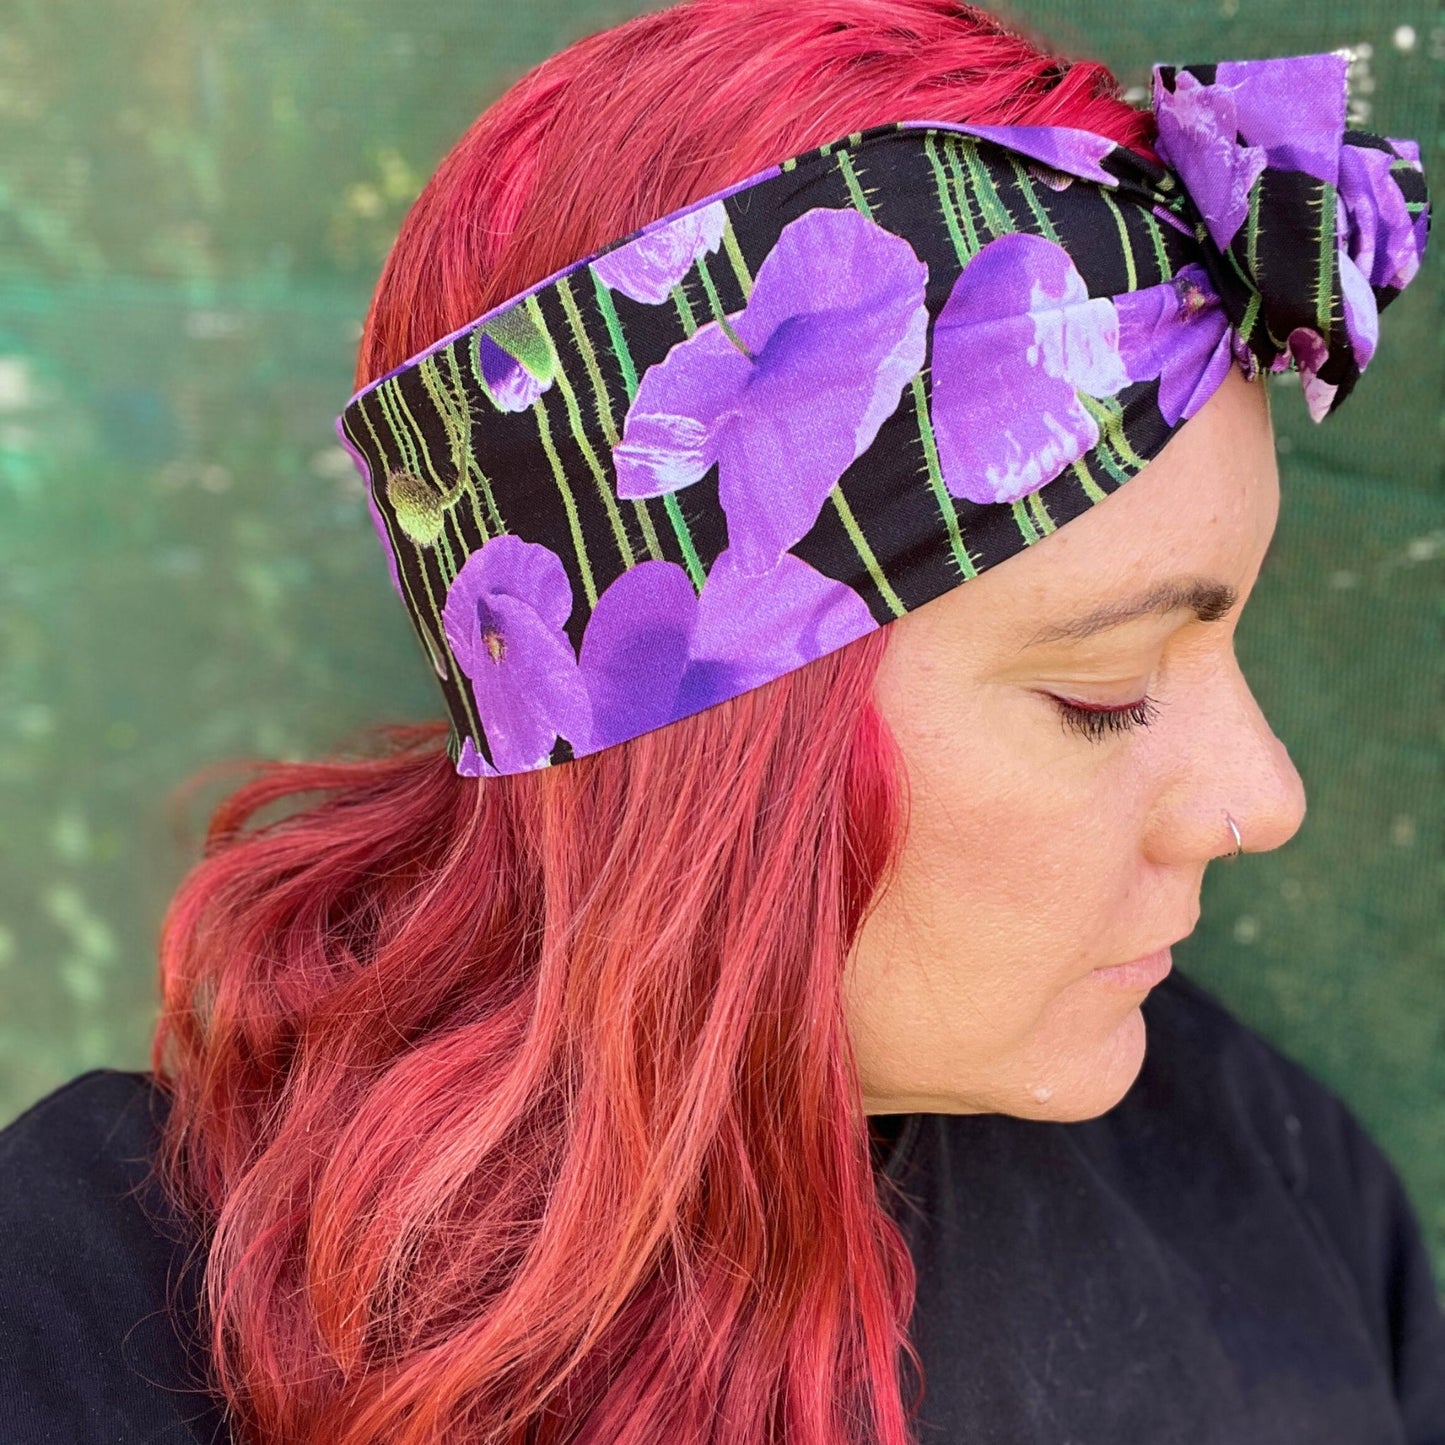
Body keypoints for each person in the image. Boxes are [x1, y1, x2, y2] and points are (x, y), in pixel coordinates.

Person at [1, 2, 1440, 1443]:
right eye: (1101, 691)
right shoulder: (93, 1314)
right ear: (703, 739)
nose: (1263, 797)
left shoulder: (1273, 1176)